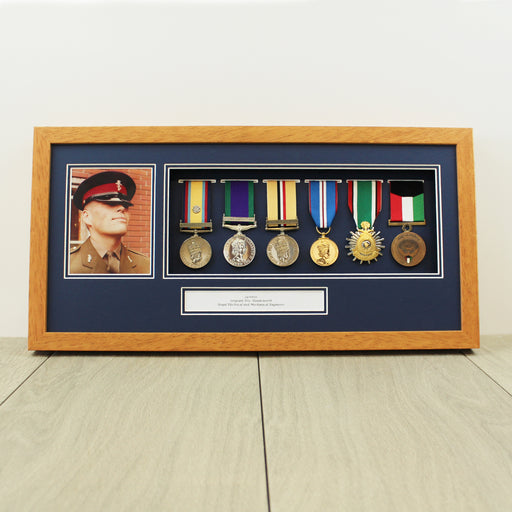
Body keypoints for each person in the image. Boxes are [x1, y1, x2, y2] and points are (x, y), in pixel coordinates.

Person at [69, 171, 150, 274]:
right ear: (87, 217)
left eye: (125, 205)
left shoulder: (146, 265)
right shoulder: (66, 265)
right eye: (110, 204)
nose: (122, 208)